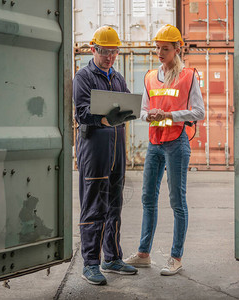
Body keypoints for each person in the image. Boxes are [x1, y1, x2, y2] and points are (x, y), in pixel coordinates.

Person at [124, 24, 205, 276]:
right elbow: (145, 109)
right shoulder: (149, 77)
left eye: (165, 49)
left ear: (177, 49)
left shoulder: (188, 76)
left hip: (177, 142)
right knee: (148, 198)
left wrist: (170, 114)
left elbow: (199, 112)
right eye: (157, 48)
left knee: (177, 201)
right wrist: (148, 116)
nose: (160, 52)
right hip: (154, 143)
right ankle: (143, 254)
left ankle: (176, 258)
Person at [73, 26, 138, 285]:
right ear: (93, 49)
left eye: (114, 52)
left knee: (114, 204)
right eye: (104, 52)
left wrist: (126, 114)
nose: (109, 57)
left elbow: (125, 108)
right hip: (94, 148)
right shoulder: (84, 77)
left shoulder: (118, 78)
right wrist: (103, 118)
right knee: (94, 205)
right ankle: (90, 263)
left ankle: (111, 257)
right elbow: (81, 113)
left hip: (116, 149)